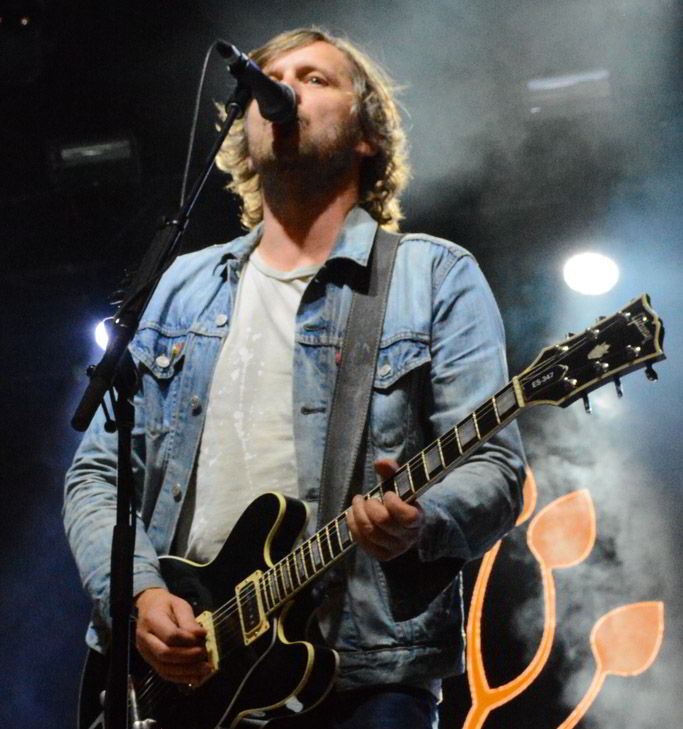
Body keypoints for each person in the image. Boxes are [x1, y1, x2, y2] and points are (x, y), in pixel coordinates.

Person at [64, 27, 525, 729]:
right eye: (271, 79)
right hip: (180, 673)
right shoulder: (181, 286)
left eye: (315, 78)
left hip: (363, 672)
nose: (281, 90)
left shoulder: (430, 275)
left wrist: (420, 522)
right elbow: (96, 472)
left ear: (367, 133)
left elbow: (495, 466)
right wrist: (138, 597)